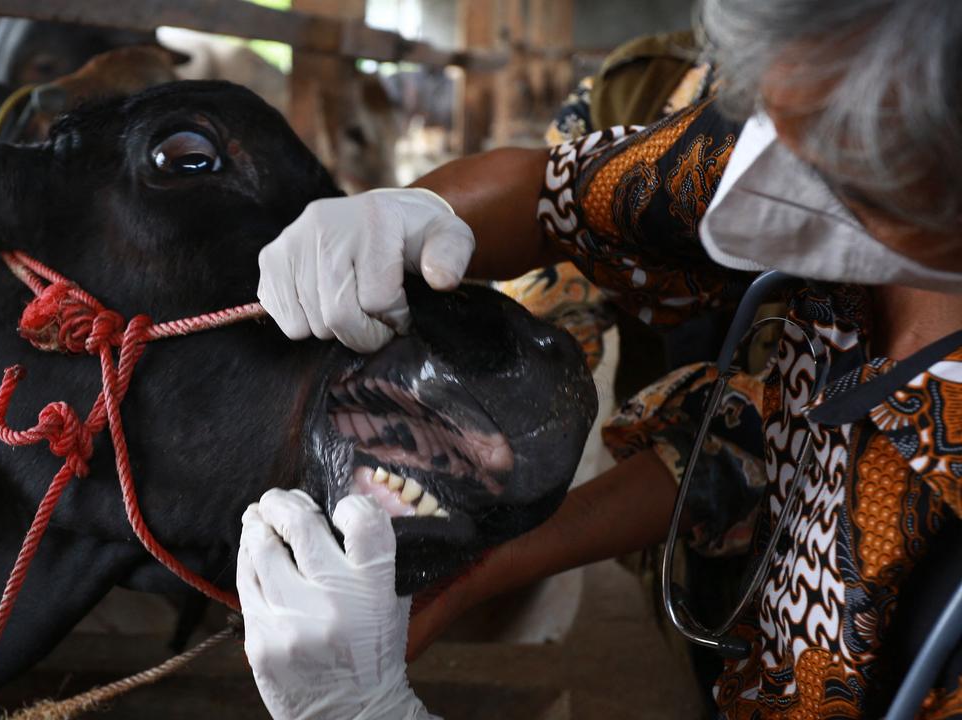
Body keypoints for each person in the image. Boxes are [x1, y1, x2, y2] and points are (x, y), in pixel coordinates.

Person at [236, 0, 962, 717]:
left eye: (851, 171)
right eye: (782, 131)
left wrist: (368, 713)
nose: (789, 174)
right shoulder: (824, 104)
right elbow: (565, 197)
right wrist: (411, 212)